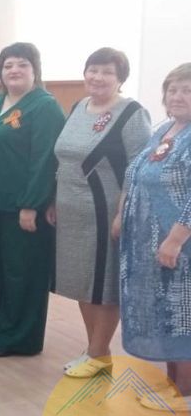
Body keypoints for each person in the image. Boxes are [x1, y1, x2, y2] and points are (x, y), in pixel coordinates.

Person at [50, 48, 150, 377]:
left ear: (121, 78)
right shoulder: (79, 106)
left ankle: (98, 352)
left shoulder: (131, 113)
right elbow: (64, 160)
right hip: (70, 211)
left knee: (103, 283)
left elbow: (137, 169)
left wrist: (123, 213)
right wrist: (53, 200)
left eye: (107, 72)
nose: (98, 77)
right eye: (93, 70)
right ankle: (96, 349)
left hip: (105, 213)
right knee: (82, 281)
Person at [0, 42, 65, 357]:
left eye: (22, 64)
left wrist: (31, 204)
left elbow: (44, 160)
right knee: (1, 272)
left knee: (23, 273)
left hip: (22, 208)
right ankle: (4, 331)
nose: (14, 70)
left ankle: (22, 339)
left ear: (35, 70)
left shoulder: (44, 107)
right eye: (8, 65)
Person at [120, 63, 191, 412]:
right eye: (172, 90)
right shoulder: (166, 129)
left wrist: (175, 239)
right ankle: (175, 383)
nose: (178, 96)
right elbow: (137, 173)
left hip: (179, 243)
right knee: (166, 311)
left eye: (187, 91)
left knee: (182, 312)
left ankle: (186, 393)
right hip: (152, 239)